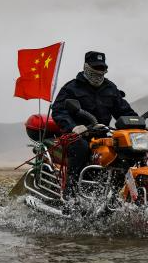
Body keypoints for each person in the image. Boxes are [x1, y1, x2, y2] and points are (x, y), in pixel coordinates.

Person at [52, 51, 137, 194]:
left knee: (125, 150)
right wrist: (73, 127)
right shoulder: (71, 87)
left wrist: (137, 125)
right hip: (77, 136)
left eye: (101, 68)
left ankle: (113, 194)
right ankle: (70, 195)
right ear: (86, 66)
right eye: (95, 67)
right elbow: (58, 110)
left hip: (102, 135)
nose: (98, 71)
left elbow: (123, 110)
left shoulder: (110, 88)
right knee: (81, 149)